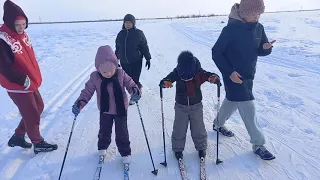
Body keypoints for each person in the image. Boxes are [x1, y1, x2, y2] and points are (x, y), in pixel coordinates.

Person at [211, 0, 276, 160]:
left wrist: (266, 48)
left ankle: (217, 124)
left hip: (249, 75)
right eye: (255, 13)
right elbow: (216, 52)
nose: (258, 16)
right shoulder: (230, 30)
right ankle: (258, 144)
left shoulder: (259, 28)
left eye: (259, 13)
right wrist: (229, 72)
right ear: (245, 13)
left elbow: (260, 50)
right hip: (233, 76)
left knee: (232, 101)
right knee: (248, 106)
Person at [0, 0, 57, 154]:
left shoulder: (22, 34)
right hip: (17, 84)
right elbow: (5, 67)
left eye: (23, 24)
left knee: (39, 106)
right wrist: (23, 80)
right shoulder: (3, 39)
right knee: (31, 113)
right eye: (17, 24)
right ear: (10, 22)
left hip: (28, 81)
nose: (21, 27)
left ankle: (18, 136)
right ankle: (37, 142)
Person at [72, 45, 141, 164]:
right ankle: (102, 148)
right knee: (104, 131)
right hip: (105, 110)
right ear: (98, 69)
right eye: (104, 72)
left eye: (111, 70)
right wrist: (80, 103)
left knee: (122, 133)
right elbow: (87, 91)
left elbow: (130, 83)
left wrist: (135, 91)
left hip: (121, 109)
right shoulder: (95, 77)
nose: (108, 74)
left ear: (115, 66)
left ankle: (125, 153)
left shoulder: (120, 73)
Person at [159, 51, 220, 160]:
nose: (186, 79)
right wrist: (165, 82)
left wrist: (213, 78)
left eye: (189, 77)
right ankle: (178, 149)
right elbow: (168, 78)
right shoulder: (177, 71)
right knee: (179, 128)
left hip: (196, 105)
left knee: (198, 127)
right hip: (180, 106)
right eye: (184, 77)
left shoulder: (198, 71)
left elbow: (208, 75)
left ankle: (201, 147)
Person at [115, 14, 151, 104]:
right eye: (126, 22)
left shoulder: (139, 33)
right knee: (127, 78)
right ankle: (138, 86)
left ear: (133, 23)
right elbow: (118, 48)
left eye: (130, 22)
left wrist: (148, 58)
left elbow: (144, 46)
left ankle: (135, 95)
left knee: (134, 77)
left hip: (136, 60)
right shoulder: (120, 34)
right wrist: (116, 59)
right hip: (124, 61)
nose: (128, 24)